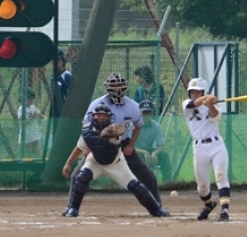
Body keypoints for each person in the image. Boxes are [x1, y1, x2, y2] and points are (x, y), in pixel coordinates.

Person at [61, 103, 169, 218]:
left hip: (116, 164)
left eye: (104, 116)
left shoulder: (114, 131)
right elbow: (79, 147)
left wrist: (113, 132)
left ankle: (156, 209)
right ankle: (73, 208)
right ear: (93, 116)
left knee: (136, 186)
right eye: (98, 115)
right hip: (95, 162)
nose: (101, 118)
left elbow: (116, 133)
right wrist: (68, 163)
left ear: (110, 118)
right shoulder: (87, 131)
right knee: (81, 178)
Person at [68, 72, 162, 203]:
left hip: (123, 143)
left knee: (149, 177)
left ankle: (157, 205)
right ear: (108, 87)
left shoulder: (133, 106)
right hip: (99, 144)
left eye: (119, 86)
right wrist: (89, 147)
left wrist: (130, 145)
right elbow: (86, 125)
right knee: (76, 176)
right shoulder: (97, 104)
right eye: (114, 86)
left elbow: (138, 125)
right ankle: (71, 206)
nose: (117, 89)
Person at [183, 77, 231, 222]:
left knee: (221, 176)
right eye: (192, 92)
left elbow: (215, 117)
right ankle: (209, 205)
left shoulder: (213, 104)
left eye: (198, 92)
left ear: (203, 91)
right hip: (199, 147)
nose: (195, 95)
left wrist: (211, 105)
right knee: (202, 187)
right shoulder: (186, 104)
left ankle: (225, 211)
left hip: (216, 145)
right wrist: (206, 98)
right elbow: (193, 104)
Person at [133, 100, 172, 182]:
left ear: (152, 113)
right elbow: (129, 146)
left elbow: (161, 146)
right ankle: (139, 183)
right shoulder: (132, 126)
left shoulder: (156, 126)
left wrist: (155, 153)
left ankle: (167, 183)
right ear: (139, 113)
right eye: (144, 112)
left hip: (149, 150)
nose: (146, 115)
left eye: (149, 112)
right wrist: (144, 152)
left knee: (165, 157)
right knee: (138, 158)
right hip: (136, 151)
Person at [18, 88, 45, 158]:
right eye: (30, 100)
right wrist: (32, 117)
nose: (32, 102)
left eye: (32, 100)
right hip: (27, 135)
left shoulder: (33, 107)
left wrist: (43, 117)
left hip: (35, 133)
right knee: (29, 154)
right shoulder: (21, 109)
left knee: (37, 152)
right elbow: (22, 123)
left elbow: (39, 114)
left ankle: (38, 163)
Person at [50, 50, 72, 117]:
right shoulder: (53, 76)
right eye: (53, 60)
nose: (55, 62)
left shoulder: (67, 75)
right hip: (55, 108)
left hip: (65, 108)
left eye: (58, 59)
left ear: (63, 61)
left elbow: (70, 95)